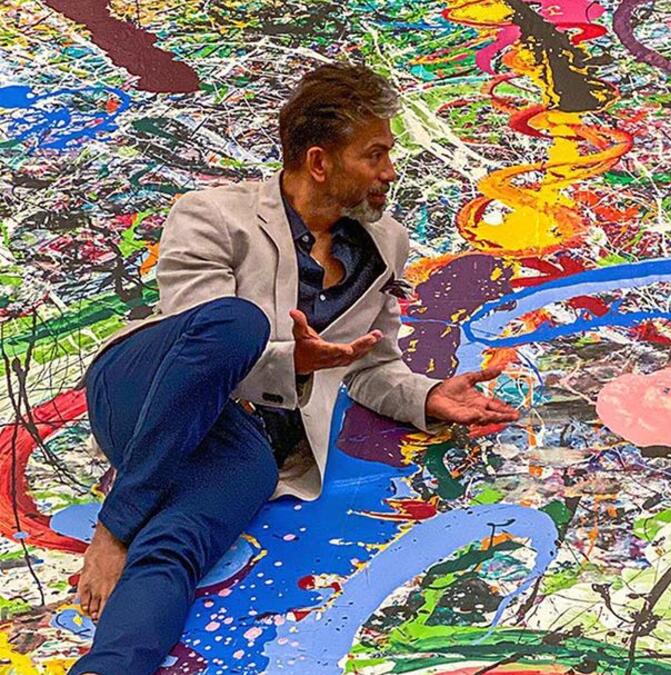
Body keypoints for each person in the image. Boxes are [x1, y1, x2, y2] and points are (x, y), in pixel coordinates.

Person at [69, 63, 519, 675]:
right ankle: (116, 524)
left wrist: (428, 395)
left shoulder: (384, 243)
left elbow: (370, 363)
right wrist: (293, 361)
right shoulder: (212, 215)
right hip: (148, 393)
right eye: (375, 154)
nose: (390, 170)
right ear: (319, 161)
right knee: (238, 323)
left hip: (250, 437)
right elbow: (201, 348)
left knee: (176, 548)